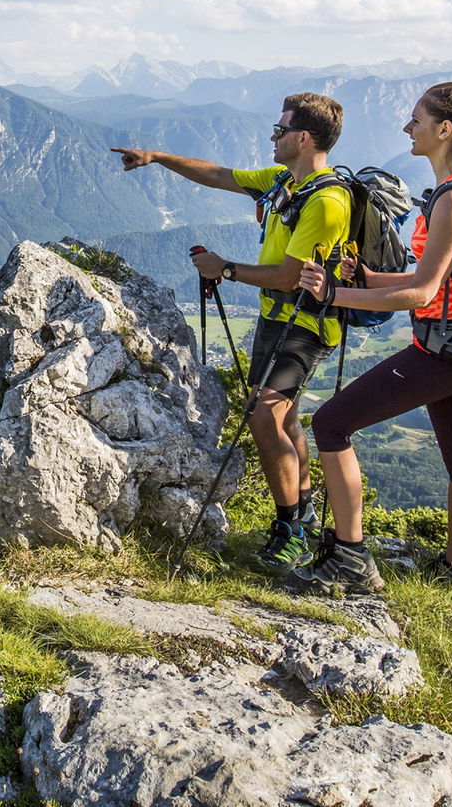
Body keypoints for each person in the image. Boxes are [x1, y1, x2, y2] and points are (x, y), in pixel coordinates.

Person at [289, 81, 452, 599]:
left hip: (443, 351)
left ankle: (350, 559)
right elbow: (438, 280)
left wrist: (334, 295)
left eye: (416, 120)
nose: (407, 128)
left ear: (445, 130)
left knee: (331, 423)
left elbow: (421, 293)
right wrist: (367, 280)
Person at [112, 93, 351, 575]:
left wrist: (226, 269)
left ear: (303, 138)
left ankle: (291, 530)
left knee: (265, 415)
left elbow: (290, 275)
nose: (273, 137)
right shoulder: (286, 182)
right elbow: (220, 175)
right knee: (283, 419)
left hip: (305, 325)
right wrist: (158, 157)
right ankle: (300, 518)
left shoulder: (326, 202)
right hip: (277, 319)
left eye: (280, 130)